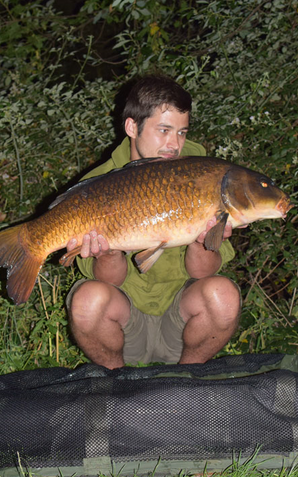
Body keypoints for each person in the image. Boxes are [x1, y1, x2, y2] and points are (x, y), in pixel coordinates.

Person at [66, 74, 241, 369]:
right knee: (87, 299)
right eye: (163, 130)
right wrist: (109, 250)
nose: (174, 144)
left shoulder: (205, 177)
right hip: (124, 326)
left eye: (182, 132)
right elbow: (109, 280)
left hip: (183, 324)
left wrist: (205, 239)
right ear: (132, 126)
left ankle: (186, 378)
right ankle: (116, 383)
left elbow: (202, 272)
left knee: (223, 294)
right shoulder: (98, 186)